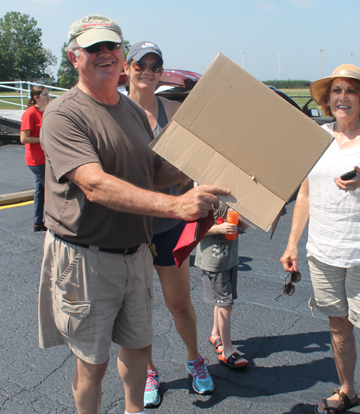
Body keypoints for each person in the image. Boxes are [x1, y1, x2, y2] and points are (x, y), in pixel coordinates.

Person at [38, 15, 229, 414]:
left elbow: (155, 173)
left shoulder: (131, 111)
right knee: (93, 364)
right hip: (86, 258)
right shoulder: (63, 114)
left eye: (111, 46)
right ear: (75, 57)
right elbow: (95, 184)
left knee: (139, 349)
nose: (104, 54)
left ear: (121, 53)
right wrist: (177, 205)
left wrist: (215, 164)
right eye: (93, 48)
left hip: (136, 253)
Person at [280, 64, 360, 414]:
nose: (342, 97)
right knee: (338, 327)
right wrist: (293, 243)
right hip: (323, 252)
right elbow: (306, 195)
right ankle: (347, 391)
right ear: (327, 99)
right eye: (336, 90)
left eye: (350, 90)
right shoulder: (319, 136)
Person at [124, 41, 214, 406]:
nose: (147, 71)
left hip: (170, 224)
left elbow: (202, 157)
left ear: (162, 72)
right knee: (138, 309)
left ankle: (195, 360)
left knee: (179, 303)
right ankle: (148, 371)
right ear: (126, 68)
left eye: (155, 66)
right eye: (140, 64)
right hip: (130, 228)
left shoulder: (174, 110)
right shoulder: (113, 111)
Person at [195, 201, 249, 369]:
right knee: (225, 303)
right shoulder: (205, 196)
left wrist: (241, 213)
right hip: (214, 261)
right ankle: (227, 349)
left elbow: (245, 226)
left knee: (222, 300)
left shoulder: (236, 197)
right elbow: (195, 228)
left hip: (230, 258)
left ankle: (215, 334)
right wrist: (219, 229)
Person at [20, 85, 50, 231]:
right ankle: (56, 221)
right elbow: (24, 138)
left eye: (48, 93)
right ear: (36, 98)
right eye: (44, 94)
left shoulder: (44, 111)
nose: (48, 96)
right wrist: (43, 138)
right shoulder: (30, 113)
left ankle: (38, 221)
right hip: (36, 160)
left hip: (45, 158)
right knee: (52, 190)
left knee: (41, 191)